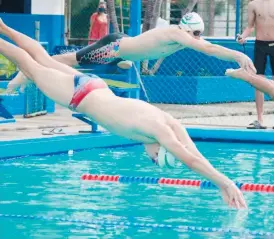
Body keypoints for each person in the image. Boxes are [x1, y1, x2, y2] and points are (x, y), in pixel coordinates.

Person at [0, 19, 247, 209]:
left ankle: (3, 27)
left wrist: (218, 176)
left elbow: (191, 149)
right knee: (29, 63)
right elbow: (189, 159)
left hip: (95, 86)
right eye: (154, 159)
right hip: (81, 94)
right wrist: (224, 182)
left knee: (42, 59)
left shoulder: (165, 120)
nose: (149, 157)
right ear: (161, 149)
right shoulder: (158, 132)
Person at [8, 12, 256, 92]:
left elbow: (207, 46)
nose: (200, 39)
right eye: (198, 34)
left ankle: (31, 67)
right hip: (113, 48)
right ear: (190, 31)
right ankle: (27, 68)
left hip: (123, 49)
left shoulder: (183, 37)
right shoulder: (177, 34)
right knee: (69, 60)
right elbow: (210, 49)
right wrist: (239, 55)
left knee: (77, 61)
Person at [236, 0, 274, 130]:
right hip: (260, 46)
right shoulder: (253, 5)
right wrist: (242, 37)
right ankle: (260, 120)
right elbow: (250, 26)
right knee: (258, 81)